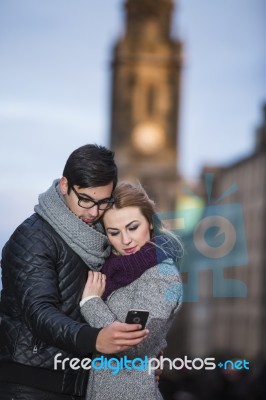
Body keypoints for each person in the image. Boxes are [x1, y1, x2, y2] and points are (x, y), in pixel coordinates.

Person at [0, 145, 151, 400]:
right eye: (85, 199)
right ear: (64, 186)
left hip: (81, 386)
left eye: (103, 203)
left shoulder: (102, 239)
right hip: (29, 386)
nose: (93, 212)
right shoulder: (34, 237)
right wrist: (95, 340)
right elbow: (39, 313)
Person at [80, 182, 183, 400]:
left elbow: (133, 346)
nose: (125, 240)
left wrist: (91, 303)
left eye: (133, 227)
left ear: (151, 223)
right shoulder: (110, 268)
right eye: (114, 232)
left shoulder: (161, 275)